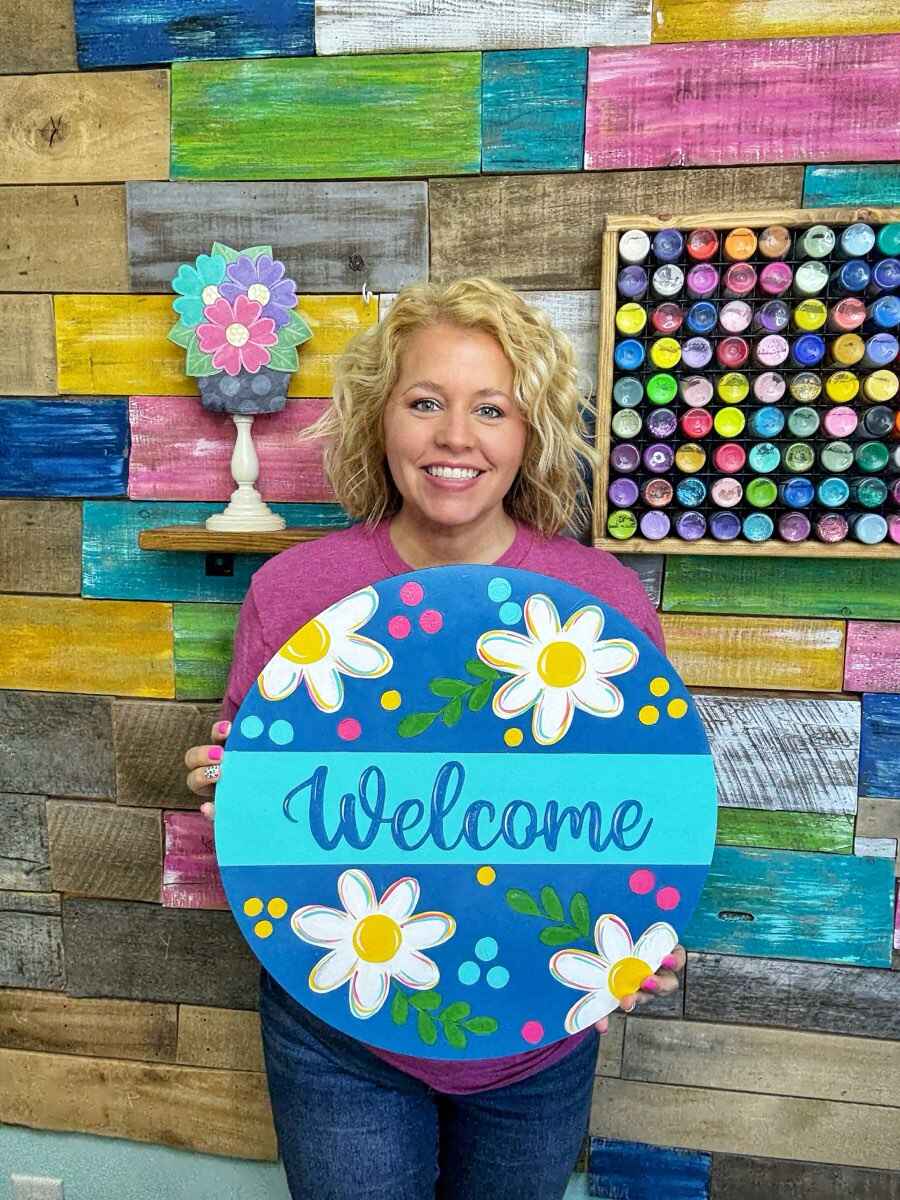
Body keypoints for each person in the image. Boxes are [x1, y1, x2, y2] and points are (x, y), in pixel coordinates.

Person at [184, 277, 685, 1200]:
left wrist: (647, 923)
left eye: (491, 408)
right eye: (426, 402)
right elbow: (271, 821)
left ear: (528, 432)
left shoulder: (600, 604)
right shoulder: (296, 593)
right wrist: (236, 790)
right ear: (382, 420)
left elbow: (642, 807)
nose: (456, 436)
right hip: (338, 1030)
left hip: (539, 1035)